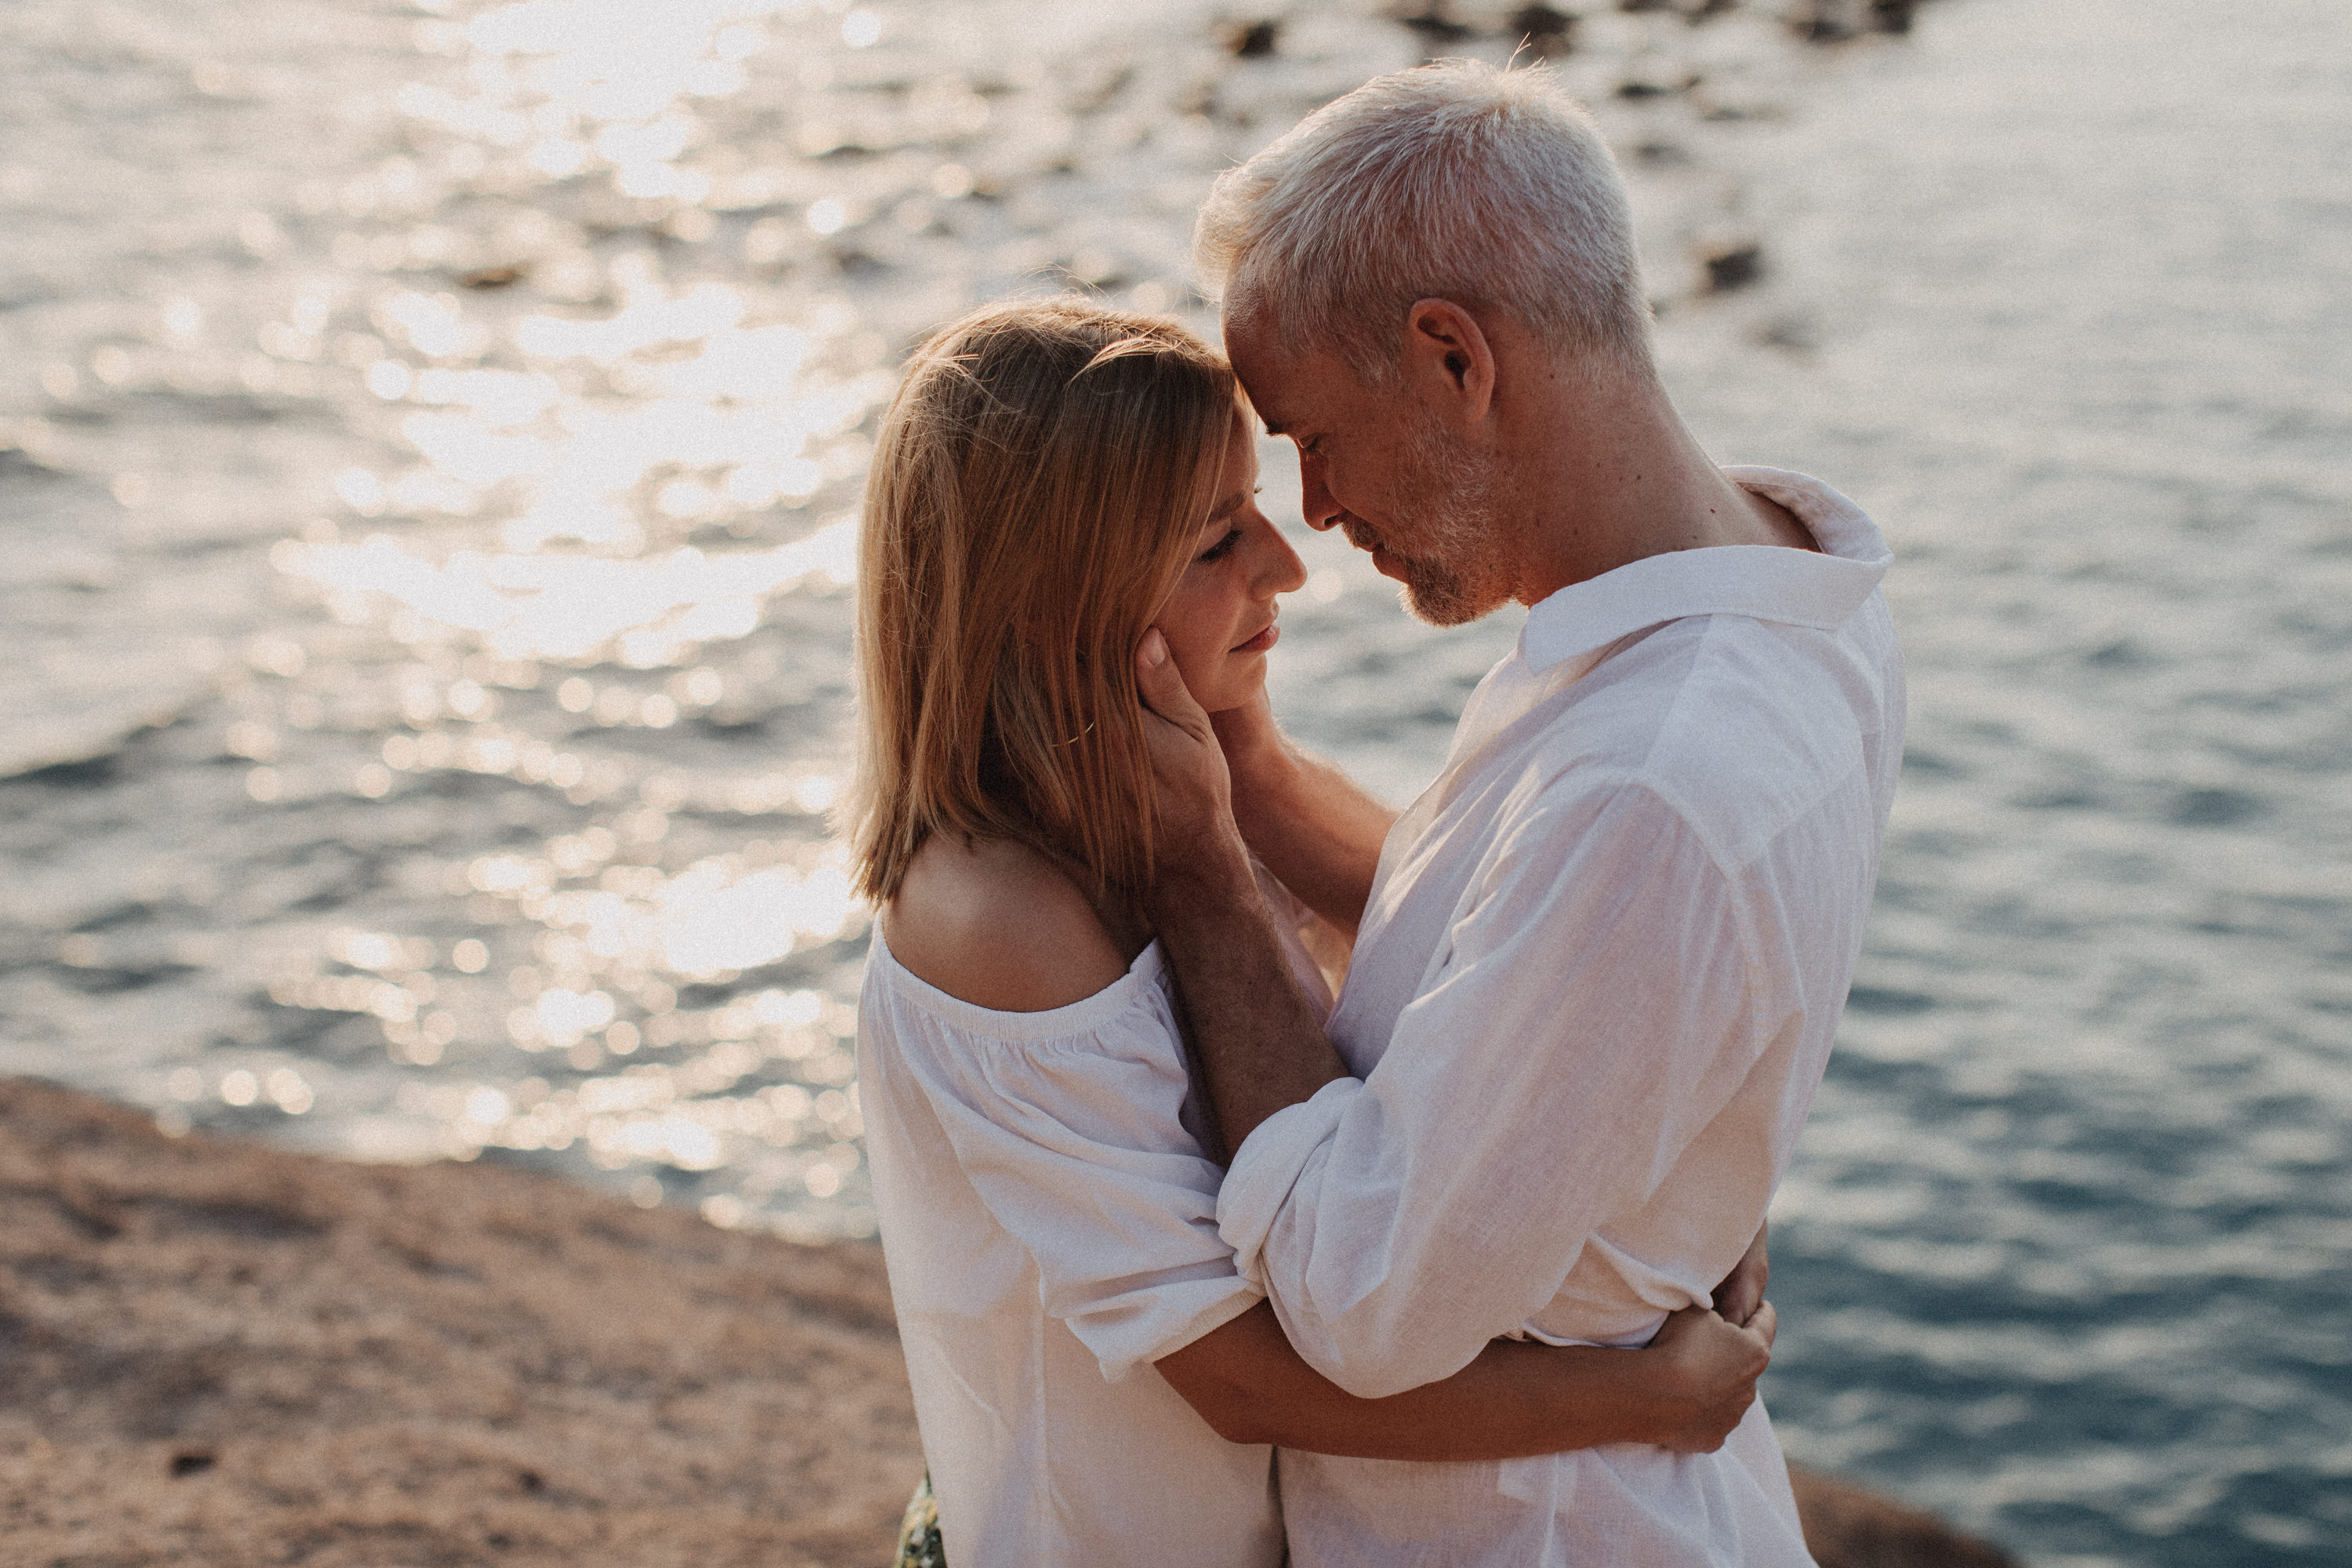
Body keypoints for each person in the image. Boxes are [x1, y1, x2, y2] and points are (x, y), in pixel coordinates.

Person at [846, 297, 1780, 1566]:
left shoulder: (1185, 813)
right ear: (1064, 600)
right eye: (1221, 540)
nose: (1289, 566)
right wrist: (1654, 1395)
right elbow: (1240, 1377)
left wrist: (1667, 1179)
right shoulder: (1000, 920)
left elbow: (1473, 957)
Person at [1130, 60, 1907, 1567]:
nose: (1316, 511)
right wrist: (1254, 767)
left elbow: (1361, 1298)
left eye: (1312, 435)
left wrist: (1199, 867)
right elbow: (1495, 935)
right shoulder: (1797, 599)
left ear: (1453, 360)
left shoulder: (1648, 785)